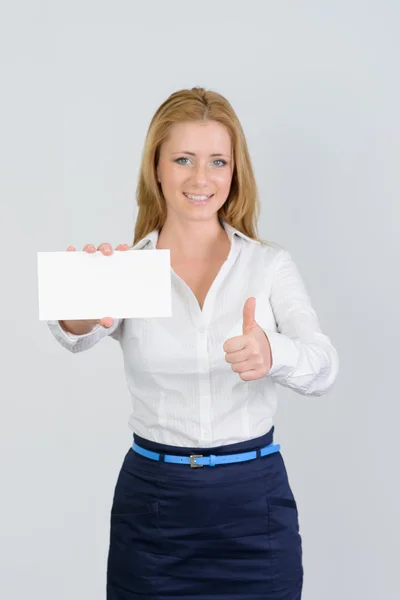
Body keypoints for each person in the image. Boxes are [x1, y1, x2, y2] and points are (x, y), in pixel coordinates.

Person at [47, 87, 339, 599]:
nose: (201, 178)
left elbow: (324, 365)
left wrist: (274, 353)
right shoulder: (127, 271)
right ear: (156, 168)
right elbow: (73, 336)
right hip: (154, 511)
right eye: (183, 159)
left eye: (217, 161)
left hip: (254, 508)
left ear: (234, 172)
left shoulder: (268, 266)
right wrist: (80, 310)